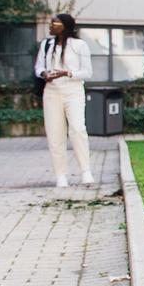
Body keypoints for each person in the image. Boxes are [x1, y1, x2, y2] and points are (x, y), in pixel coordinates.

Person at [35, 13, 95, 188]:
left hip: (73, 91)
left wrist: (67, 73)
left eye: (56, 23)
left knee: (77, 129)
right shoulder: (47, 45)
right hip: (52, 92)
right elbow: (38, 66)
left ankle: (86, 171)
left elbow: (87, 72)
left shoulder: (79, 45)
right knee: (55, 135)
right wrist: (44, 73)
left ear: (66, 26)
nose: (52, 25)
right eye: (52, 22)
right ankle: (60, 175)